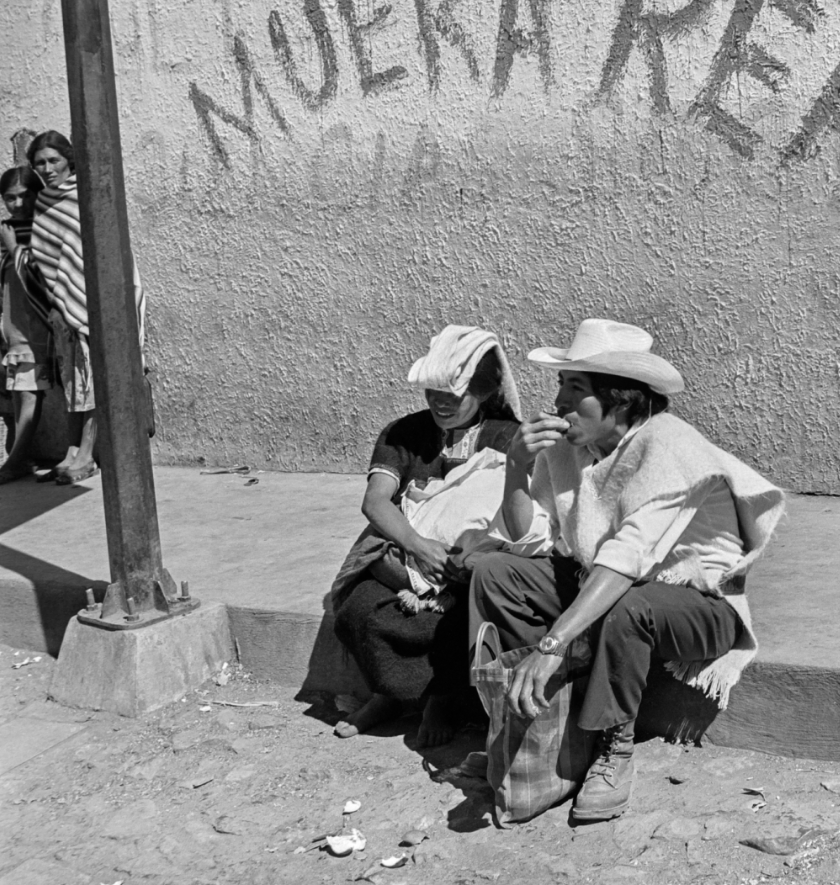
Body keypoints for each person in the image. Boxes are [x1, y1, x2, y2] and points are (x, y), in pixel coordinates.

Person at [468, 318, 784, 823]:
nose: (560, 403)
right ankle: (538, 722)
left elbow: (625, 561)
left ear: (619, 401)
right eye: (560, 386)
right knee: (496, 572)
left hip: (697, 602)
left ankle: (614, 747)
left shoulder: (669, 448)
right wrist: (515, 469)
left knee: (629, 606)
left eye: (576, 389)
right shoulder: (569, 449)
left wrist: (552, 646)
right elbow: (527, 535)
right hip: (614, 582)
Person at [328, 325, 524, 744]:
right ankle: (388, 695)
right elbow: (376, 503)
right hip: (404, 549)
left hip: (468, 558)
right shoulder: (403, 433)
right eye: (433, 393)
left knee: (458, 619)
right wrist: (417, 545)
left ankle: (438, 700)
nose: (440, 404)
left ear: (486, 390)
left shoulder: (510, 437)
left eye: (454, 395)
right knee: (361, 606)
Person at [24, 130, 147, 485]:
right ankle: (71, 449)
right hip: (66, 306)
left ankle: (88, 452)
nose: (47, 169)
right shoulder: (45, 202)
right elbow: (49, 259)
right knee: (74, 376)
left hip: (102, 300)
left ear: (69, 160)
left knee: (93, 373)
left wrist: (87, 298)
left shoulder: (85, 195)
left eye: (53, 161)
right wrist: (58, 301)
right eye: (40, 163)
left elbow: (101, 252)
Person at [0, 165, 54, 485]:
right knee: (19, 392)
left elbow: (41, 277)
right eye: (9, 198)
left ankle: (16, 459)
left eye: (24, 195)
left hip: (35, 324)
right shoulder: (9, 228)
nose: (17, 204)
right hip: (14, 323)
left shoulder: (43, 227)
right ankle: (20, 456)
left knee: (28, 392)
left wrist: (13, 248)